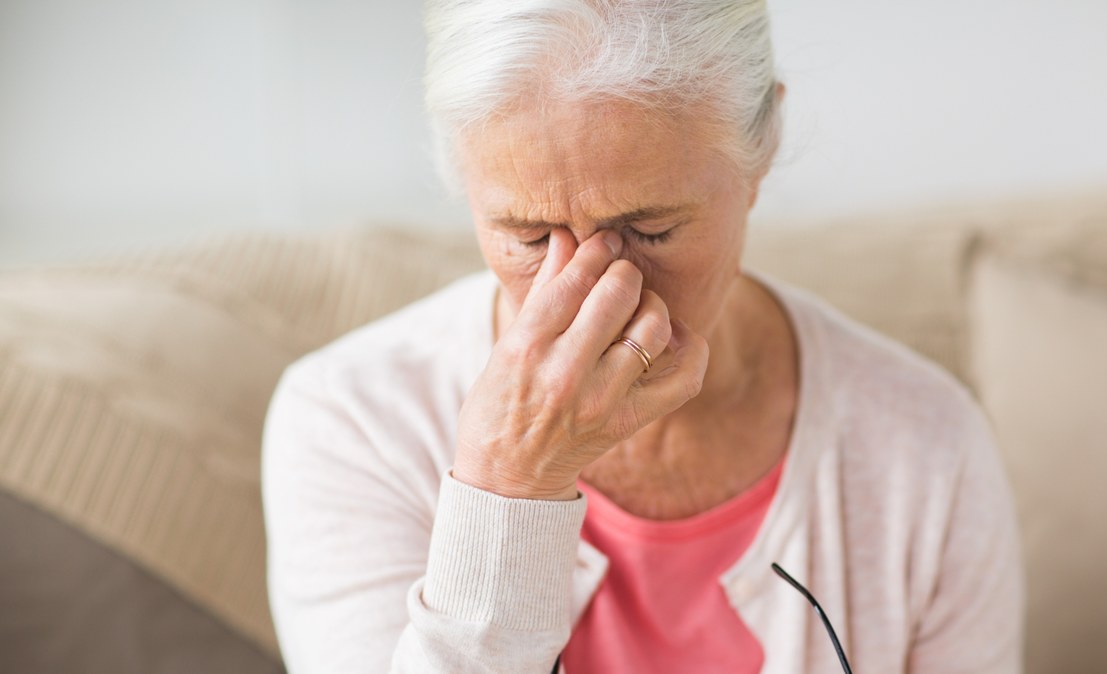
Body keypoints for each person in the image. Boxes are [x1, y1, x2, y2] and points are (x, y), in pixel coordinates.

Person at [261, 1, 1024, 672]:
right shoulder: (349, 422)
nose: (592, 293)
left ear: (759, 152)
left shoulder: (928, 447)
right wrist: (509, 485)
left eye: (647, 230)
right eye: (527, 237)